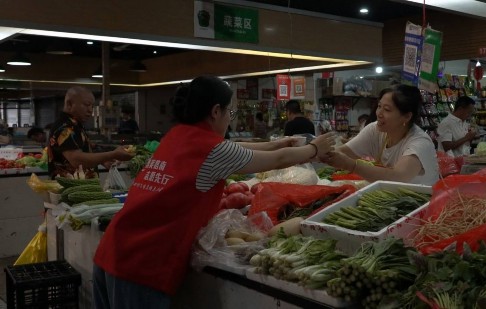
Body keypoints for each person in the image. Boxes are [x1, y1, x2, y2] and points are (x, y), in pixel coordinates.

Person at [92, 76, 335, 309]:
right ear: (216, 111)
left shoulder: (177, 135)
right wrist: (314, 148)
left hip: (114, 251)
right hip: (141, 265)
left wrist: (276, 142)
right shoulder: (210, 149)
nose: (231, 118)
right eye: (231, 112)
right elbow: (277, 160)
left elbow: (234, 148)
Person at [321, 85, 439, 186]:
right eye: (379, 106)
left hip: (422, 204)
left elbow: (398, 177)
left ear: (407, 117)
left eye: (387, 110)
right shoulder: (375, 130)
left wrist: (352, 165)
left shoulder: (420, 143)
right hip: (393, 196)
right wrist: (315, 150)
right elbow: (344, 151)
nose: (379, 113)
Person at [48, 86, 134, 179]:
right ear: (69, 104)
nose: (90, 110)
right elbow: (77, 160)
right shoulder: (66, 128)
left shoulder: (75, 125)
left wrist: (101, 160)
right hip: (69, 190)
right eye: (86, 105)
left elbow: (83, 151)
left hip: (80, 188)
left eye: (92, 106)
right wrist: (113, 154)